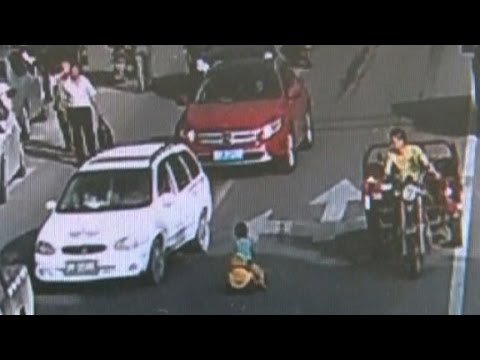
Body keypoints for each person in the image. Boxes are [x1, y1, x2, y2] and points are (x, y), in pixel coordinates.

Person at [63, 63, 102, 165]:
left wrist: (98, 110)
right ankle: (80, 157)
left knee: (89, 132)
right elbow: (63, 99)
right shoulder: (66, 83)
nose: (74, 73)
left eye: (75, 70)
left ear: (79, 71)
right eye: (72, 71)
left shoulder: (85, 81)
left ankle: (92, 153)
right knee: (76, 135)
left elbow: (92, 96)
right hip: (73, 110)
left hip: (85, 109)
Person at [232, 222, 266, 289]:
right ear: (246, 232)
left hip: (237, 262)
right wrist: (253, 255)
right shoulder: (249, 242)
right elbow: (252, 251)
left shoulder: (236, 243)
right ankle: (261, 282)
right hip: (247, 262)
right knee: (260, 272)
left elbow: (234, 252)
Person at [53, 60, 73, 152]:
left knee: (67, 126)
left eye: (62, 69)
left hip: (67, 107)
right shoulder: (59, 80)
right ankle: (69, 145)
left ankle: (71, 145)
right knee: (65, 127)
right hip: (61, 107)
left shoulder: (68, 81)